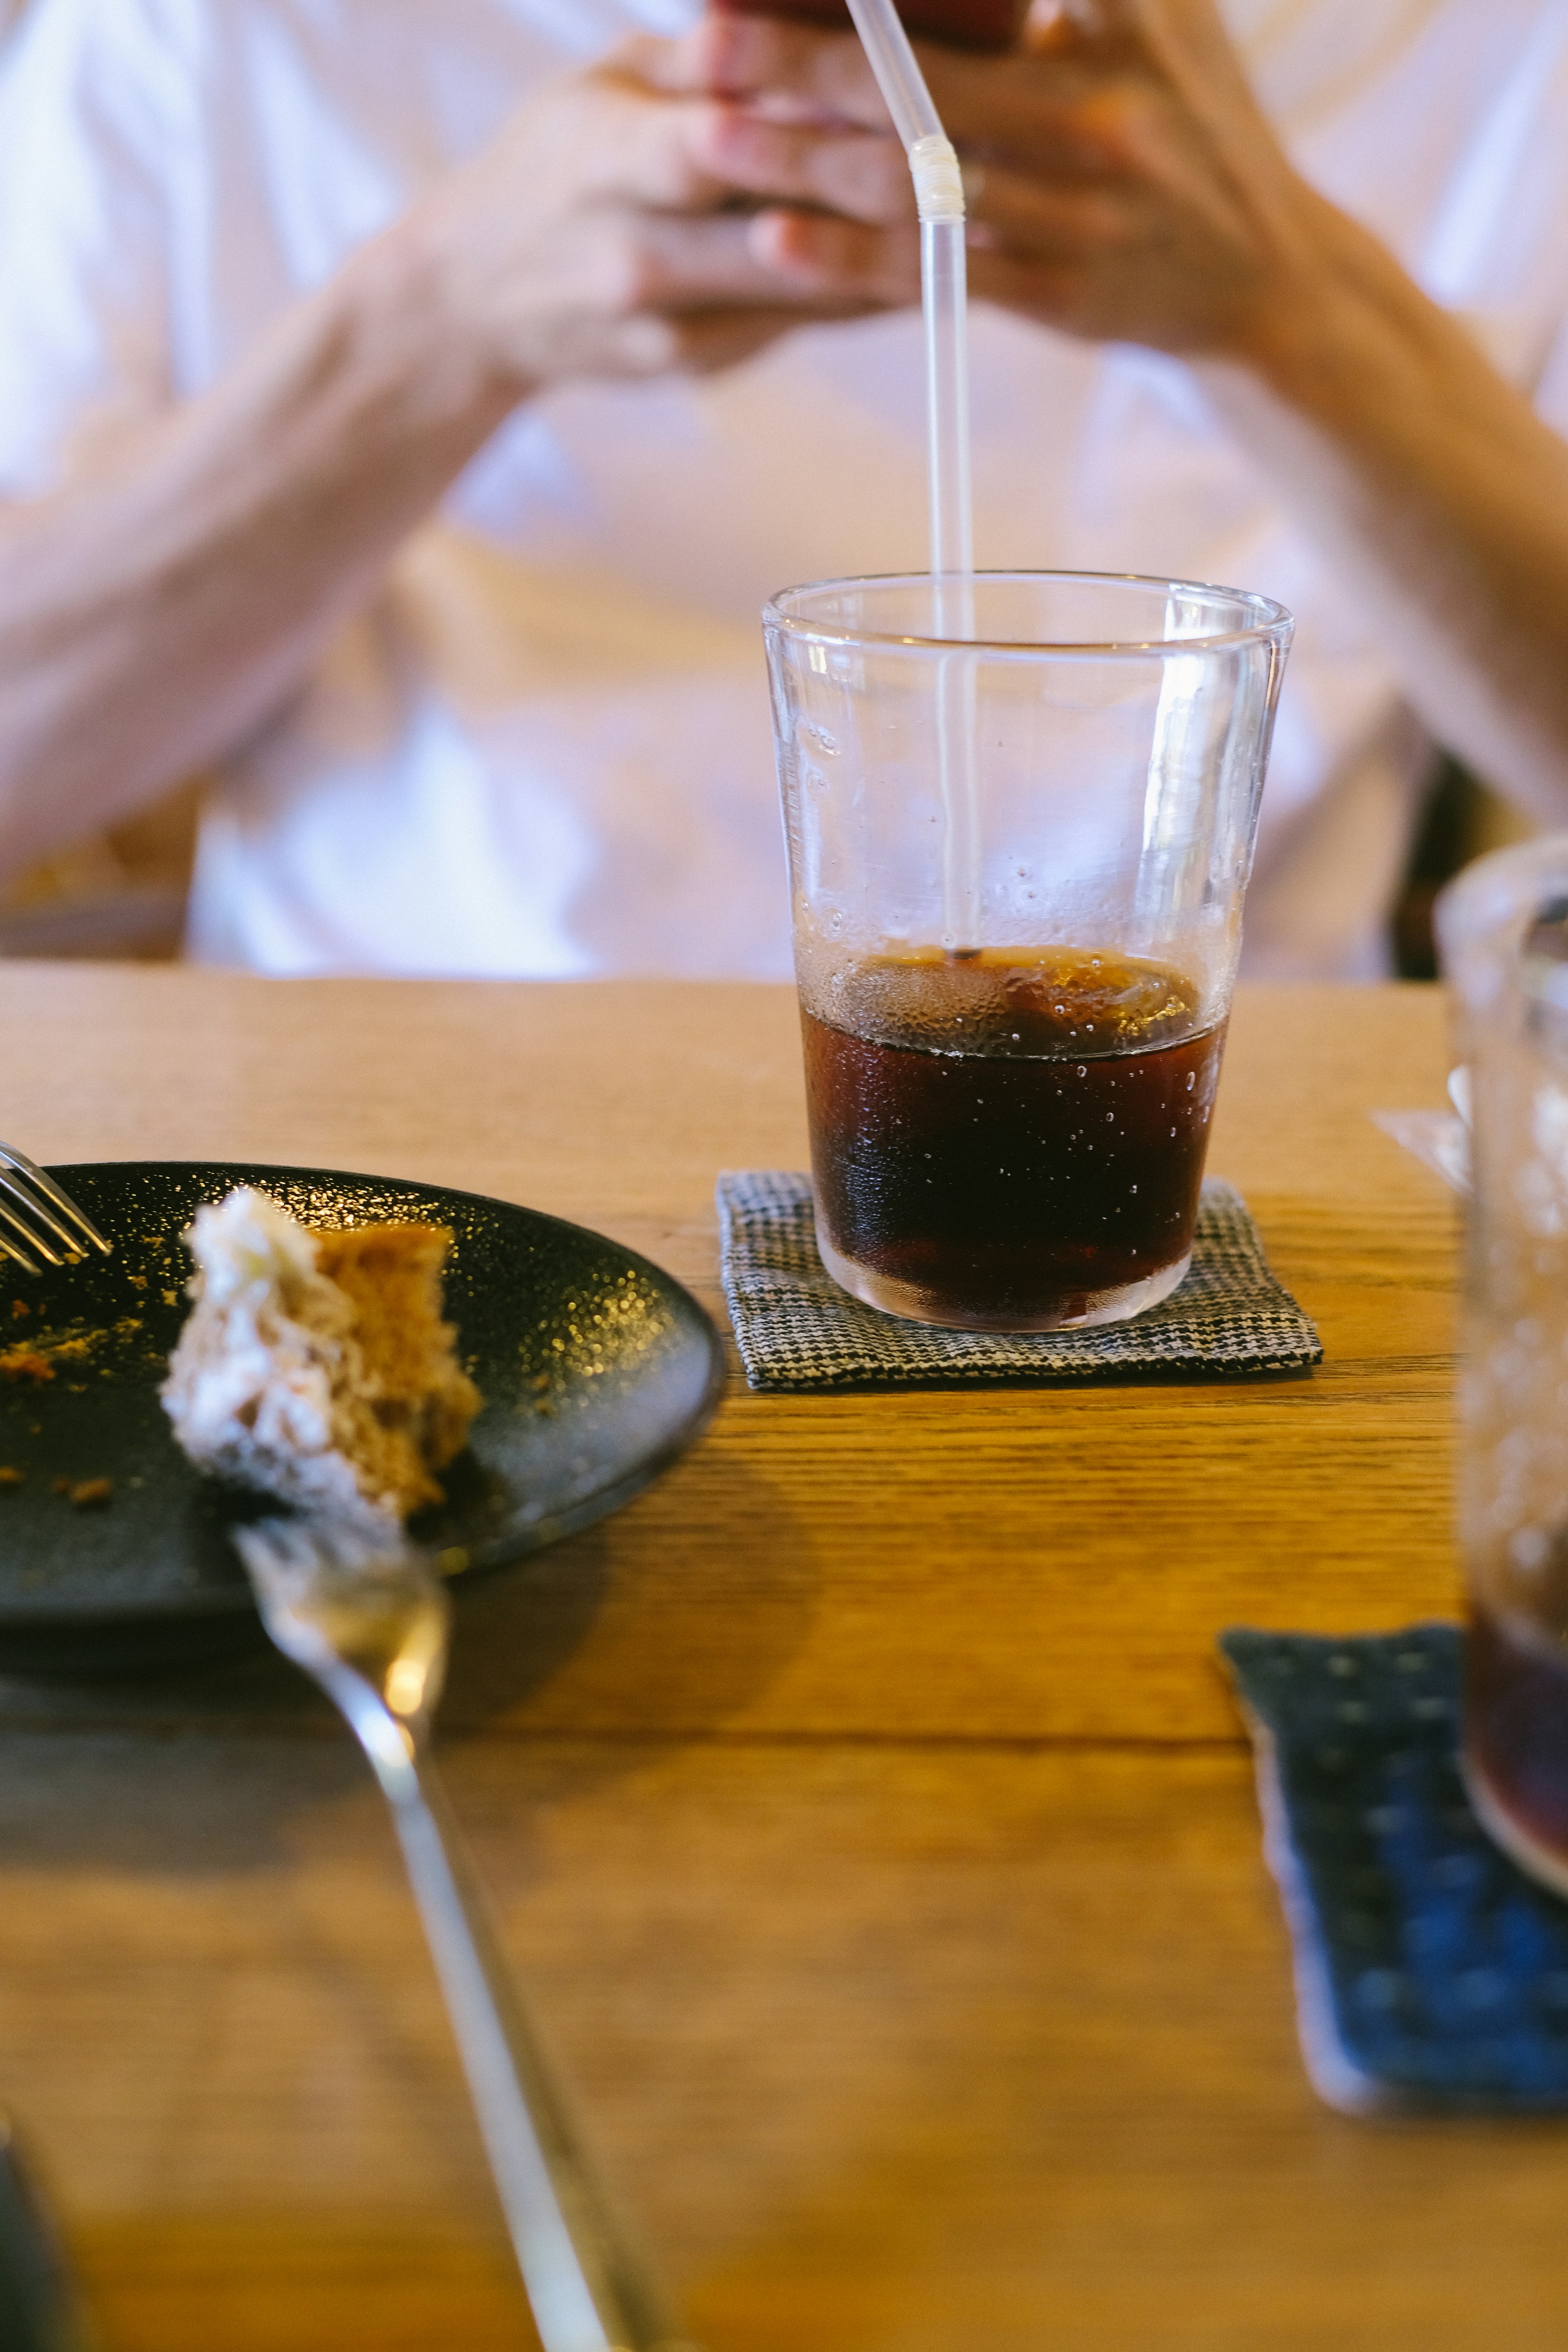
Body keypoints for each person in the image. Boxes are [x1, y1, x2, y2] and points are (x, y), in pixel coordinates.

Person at [0, 0, 1565, 980]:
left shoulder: (1492, 51)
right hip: (396, 1134)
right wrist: (435, 322)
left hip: (1225, 1167)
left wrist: (1296, 314)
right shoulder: (204, 36)